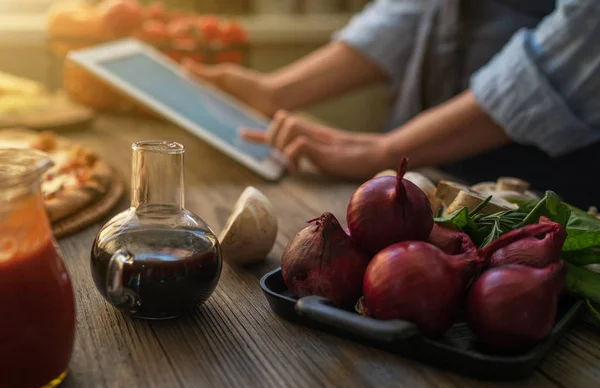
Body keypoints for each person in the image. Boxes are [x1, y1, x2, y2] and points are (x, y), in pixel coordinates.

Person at [184, 0, 600, 209]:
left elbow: (584, 38)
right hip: (428, 161)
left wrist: (383, 149)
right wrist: (275, 92)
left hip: (552, 176)